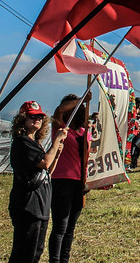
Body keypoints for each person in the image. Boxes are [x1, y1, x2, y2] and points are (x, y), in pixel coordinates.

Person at [9, 100, 68, 263]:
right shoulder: (22, 142)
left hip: (40, 205)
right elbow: (44, 163)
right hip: (28, 206)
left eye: (40, 117)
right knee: (24, 254)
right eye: (32, 117)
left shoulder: (36, 143)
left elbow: (48, 171)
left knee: (36, 251)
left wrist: (56, 153)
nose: (37, 120)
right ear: (22, 119)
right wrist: (56, 141)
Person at [48, 95, 88, 263]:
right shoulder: (59, 128)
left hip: (79, 182)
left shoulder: (83, 132)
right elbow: (58, 111)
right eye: (69, 106)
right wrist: (82, 98)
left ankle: (64, 259)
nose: (71, 109)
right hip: (62, 179)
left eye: (75, 108)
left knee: (70, 228)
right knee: (60, 226)